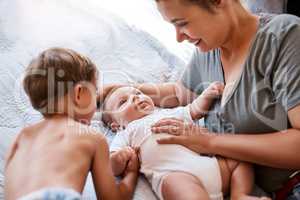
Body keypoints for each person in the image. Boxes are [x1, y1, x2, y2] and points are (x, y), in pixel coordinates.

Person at [100, 0, 300, 198]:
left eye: (182, 23)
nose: (178, 38)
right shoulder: (210, 49)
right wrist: (121, 89)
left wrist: (209, 142)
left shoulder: (283, 36)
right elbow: (180, 93)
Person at [4, 48, 139, 200]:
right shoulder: (91, 137)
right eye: (94, 93)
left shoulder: (22, 137)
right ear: (79, 93)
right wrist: (131, 174)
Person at [102, 84, 270, 200]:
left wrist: (207, 95)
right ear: (116, 125)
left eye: (137, 93)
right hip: (175, 174)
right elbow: (111, 168)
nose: (135, 98)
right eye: (123, 102)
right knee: (183, 191)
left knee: (239, 159)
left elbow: (194, 110)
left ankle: (239, 195)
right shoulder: (126, 132)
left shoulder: (168, 112)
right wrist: (120, 157)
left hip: (209, 164)